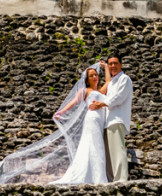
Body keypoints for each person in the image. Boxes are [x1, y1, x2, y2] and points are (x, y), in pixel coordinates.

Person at [50, 66, 108, 185]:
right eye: (91, 76)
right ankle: (95, 178)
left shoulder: (101, 92)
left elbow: (108, 82)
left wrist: (106, 67)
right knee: (92, 146)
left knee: (98, 147)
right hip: (91, 120)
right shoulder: (85, 91)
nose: (94, 77)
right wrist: (61, 112)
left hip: (100, 122)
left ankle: (97, 176)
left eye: (95, 75)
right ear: (87, 80)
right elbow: (74, 101)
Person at [89, 53, 133, 182]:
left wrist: (101, 104)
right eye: (110, 64)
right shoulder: (112, 82)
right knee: (108, 154)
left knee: (117, 151)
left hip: (117, 119)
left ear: (121, 64)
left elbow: (118, 98)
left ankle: (121, 179)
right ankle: (110, 179)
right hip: (107, 121)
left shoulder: (124, 79)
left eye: (115, 63)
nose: (113, 66)